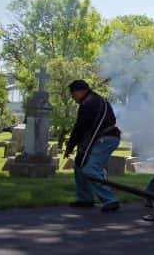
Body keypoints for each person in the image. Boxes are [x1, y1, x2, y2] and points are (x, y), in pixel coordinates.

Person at [64, 80, 121, 212]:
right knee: (79, 166)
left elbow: (80, 128)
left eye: (73, 94)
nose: (73, 98)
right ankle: (85, 199)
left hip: (105, 139)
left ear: (80, 91)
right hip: (103, 138)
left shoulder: (88, 104)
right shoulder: (97, 100)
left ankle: (110, 200)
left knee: (90, 169)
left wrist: (70, 146)